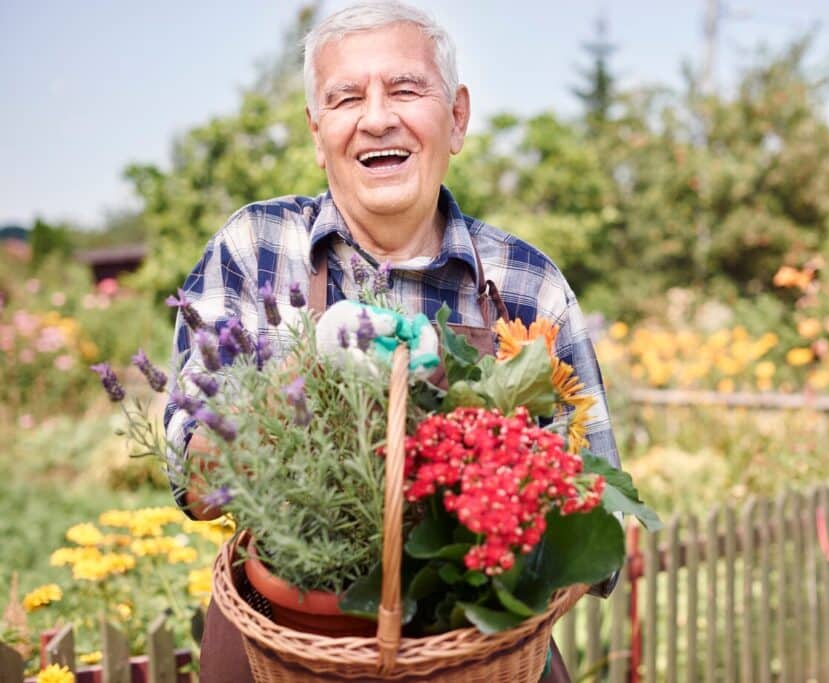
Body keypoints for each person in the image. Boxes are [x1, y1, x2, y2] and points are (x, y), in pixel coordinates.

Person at [164, 2, 621, 680]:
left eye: (405, 89)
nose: (377, 117)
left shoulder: (527, 284)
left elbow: (597, 517)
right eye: (345, 98)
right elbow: (193, 482)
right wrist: (306, 365)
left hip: (476, 652)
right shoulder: (255, 250)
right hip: (288, 643)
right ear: (318, 134)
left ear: (457, 117)